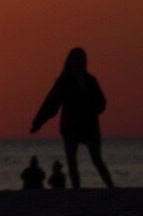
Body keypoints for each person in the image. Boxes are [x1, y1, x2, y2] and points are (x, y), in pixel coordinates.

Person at [29, 47, 114, 188]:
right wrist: (38, 122)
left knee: (97, 159)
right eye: (75, 59)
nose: (78, 62)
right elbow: (51, 102)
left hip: (89, 126)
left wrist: (86, 92)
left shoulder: (90, 81)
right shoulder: (63, 81)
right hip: (70, 126)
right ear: (69, 61)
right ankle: (76, 189)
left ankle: (110, 187)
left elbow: (101, 104)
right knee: (71, 160)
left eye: (81, 59)